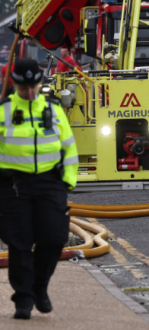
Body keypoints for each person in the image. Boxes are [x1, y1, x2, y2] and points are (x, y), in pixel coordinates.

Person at [0, 58, 78, 320]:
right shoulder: (4, 111)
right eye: (25, 88)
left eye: (34, 86)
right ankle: (23, 297)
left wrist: (68, 181)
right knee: (19, 242)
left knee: (55, 238)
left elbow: (68, 147)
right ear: (15, 84)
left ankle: (39, 286)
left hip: (50, 182)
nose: (31, 92)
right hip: (13, 185)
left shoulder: (54, 110)